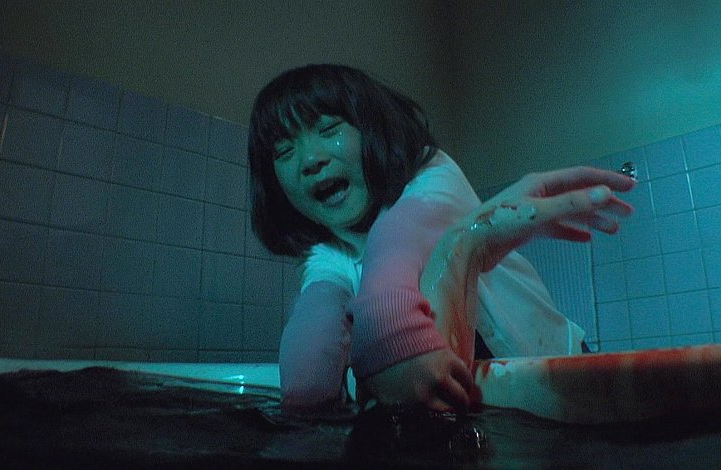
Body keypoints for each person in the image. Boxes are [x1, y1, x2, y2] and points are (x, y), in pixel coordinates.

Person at [247, 64, 635, 413]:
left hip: (560, 368)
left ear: (374, 129)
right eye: (284, 151)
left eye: (329, 130)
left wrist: (390, 336)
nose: (309, 160)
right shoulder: (330, 253)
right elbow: (307, 378)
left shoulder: (435, 177)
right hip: (483, 403)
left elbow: (395, 248)